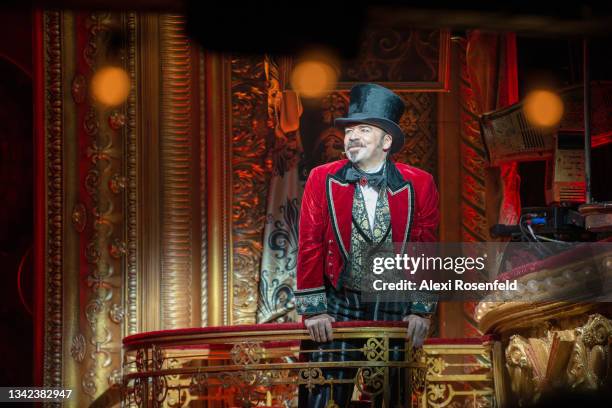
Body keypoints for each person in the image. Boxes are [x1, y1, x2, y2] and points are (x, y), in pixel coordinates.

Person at [295, 83, 440, 407]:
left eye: (364, 129)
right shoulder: (322, 178)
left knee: (392, 396)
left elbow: (425, 246)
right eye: (349, 130)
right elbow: (309, 244)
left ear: (387, 141)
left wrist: (421, 309)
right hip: (337, 302)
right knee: (324, 394)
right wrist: (314, 310)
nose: (353, 137)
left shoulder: (419, 183)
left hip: (393, 303)